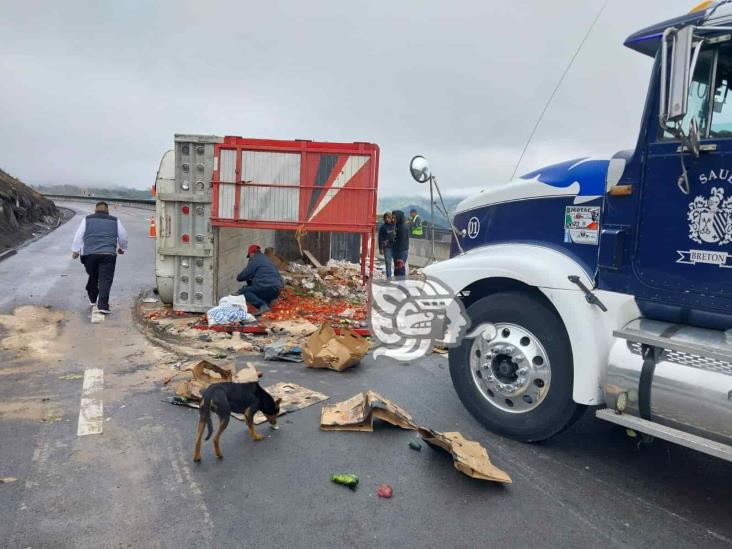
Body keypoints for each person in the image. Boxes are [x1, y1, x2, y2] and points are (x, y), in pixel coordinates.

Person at [71, 201, 128, 314]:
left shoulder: (87, 219)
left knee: (93, 276)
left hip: (89, 255)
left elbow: (78, 236)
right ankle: (103, 305)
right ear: (107, 211)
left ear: (95, 210)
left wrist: (76, 251)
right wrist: (122, 248)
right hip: (108, 254)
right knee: (105, 279)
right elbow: (123, 236)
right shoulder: (115, 220)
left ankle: (93, 299)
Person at [236, 244, 284, 315]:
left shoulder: (254, 260)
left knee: (245, 292)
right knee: (260, 291)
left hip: (266, 286)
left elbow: (244, 275)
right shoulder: (266, 259)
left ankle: (262, 306)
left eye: (249, 256)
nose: (249, 258)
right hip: (277, 288)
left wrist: (238, 277)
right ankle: (266, 308)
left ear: (252, 253)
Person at [392, 210, 409, 279]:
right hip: (397, 250)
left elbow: (401, 241)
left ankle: (401, 285)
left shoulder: (402, 227)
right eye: (393, 218)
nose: (393, 220)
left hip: (401, 251)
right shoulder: (397, 225)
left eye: (395, 218)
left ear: (399, 218)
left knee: (400, 269)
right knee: (397, 269)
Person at [378, 212, 395, 280]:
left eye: (388, 217)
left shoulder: (395, 225)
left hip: (395, 247)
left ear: (391, 218)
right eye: (386, 218)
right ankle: (389, 278)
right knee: (388, 263)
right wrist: (380, 248)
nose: (387, 219)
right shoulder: (383, 227)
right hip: (387, 247)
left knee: (397, 263)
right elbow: (380, 238)